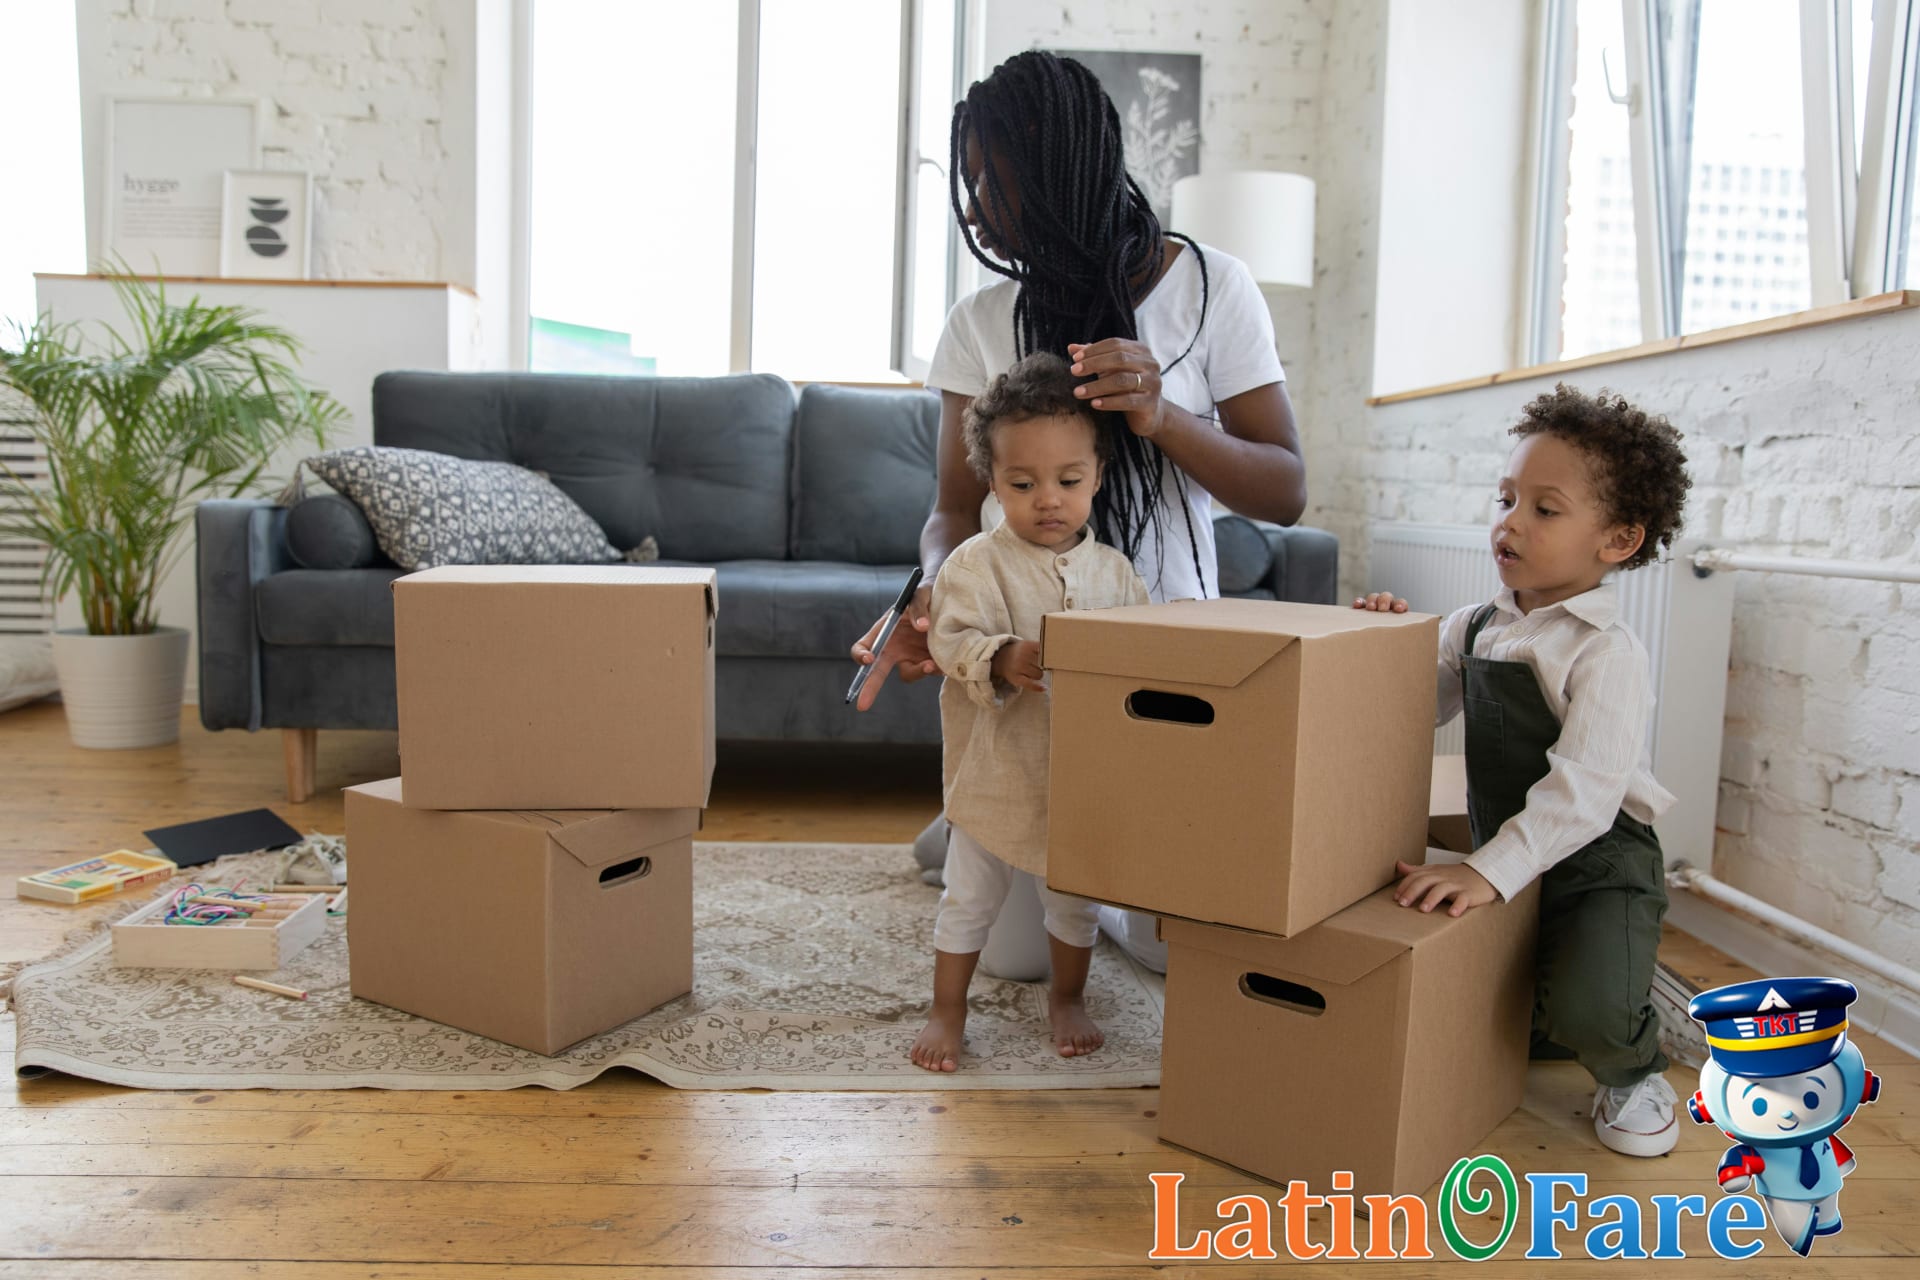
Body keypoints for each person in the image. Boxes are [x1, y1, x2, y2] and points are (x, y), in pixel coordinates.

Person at [850, 50, 1307, 973]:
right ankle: (978, 815)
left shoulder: (1214, 287)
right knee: (1019, 955)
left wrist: (1162, 416)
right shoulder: (981, 320)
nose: (974, 211)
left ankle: (984, 825)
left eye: (991, 181)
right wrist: (934, 601)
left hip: (1164, 644)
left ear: (1064, 166)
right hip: (1027, 660)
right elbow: (951, 511)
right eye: (966, 186)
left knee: (1174, 949)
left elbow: (1287, 490)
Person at [1354, 383, 1694, 1157]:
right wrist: (1376, 641)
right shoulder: (1475, 625)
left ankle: (1636, 1063)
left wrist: (1485, 870)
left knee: (1589, 1016)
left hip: (1596, 860)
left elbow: (1583, 798)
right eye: (1507, 498)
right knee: (1493, 1010)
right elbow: (1407, 711)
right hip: (1507, 853)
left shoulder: (1605, 652)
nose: (1511, 521)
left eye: (1545, 508)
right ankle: (1596, 991)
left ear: (1617, 541)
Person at [910, 352, 1149, 1072]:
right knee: (968, 899)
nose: (1048, 498)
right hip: (996, 776)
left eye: (1069, 481)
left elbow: (1143, 657)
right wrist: (1004, 654)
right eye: (1023, 483)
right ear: (993, 484)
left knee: (1074, 905)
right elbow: (950, 642)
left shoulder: (1117, 573)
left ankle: (1067, 997)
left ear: (1098, 476)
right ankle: (947, 1009)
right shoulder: (975, 565)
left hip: (1080, 783)